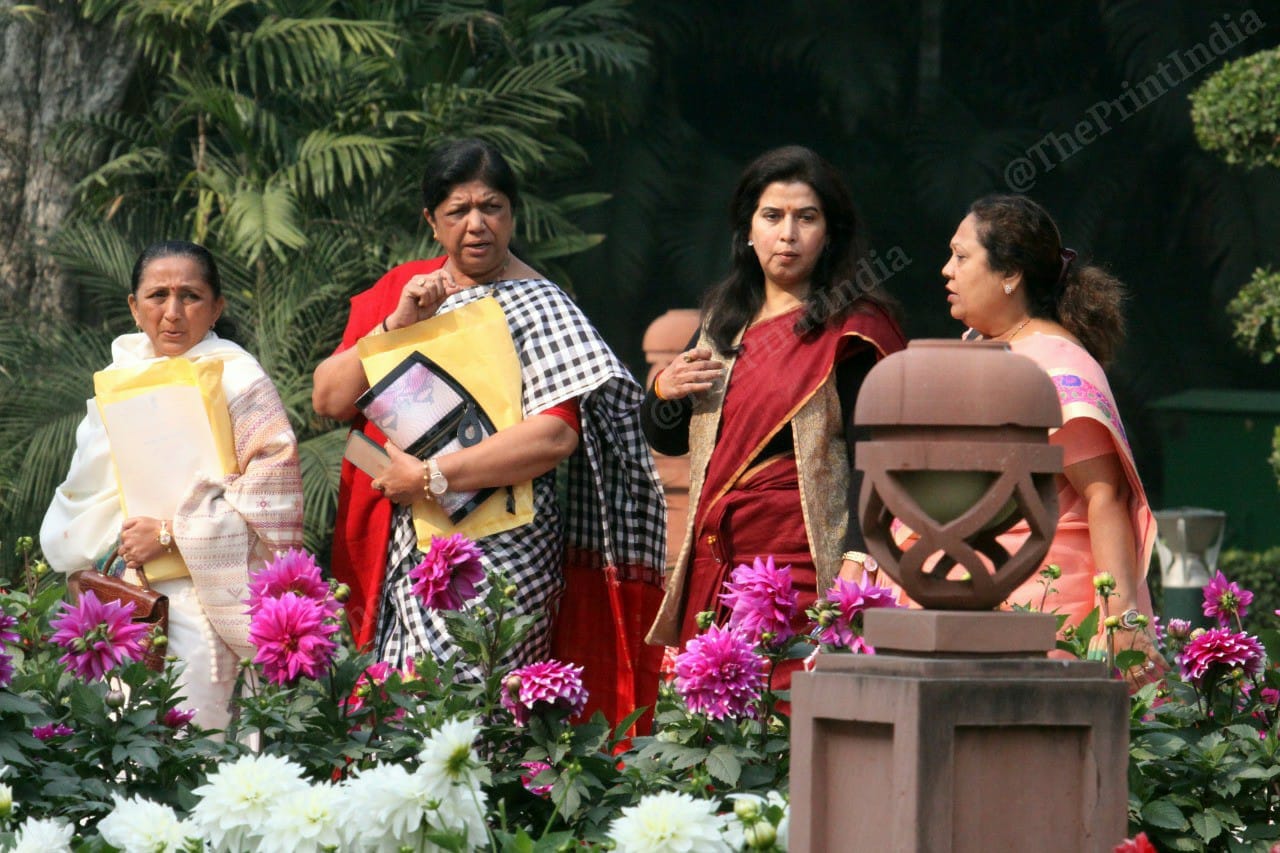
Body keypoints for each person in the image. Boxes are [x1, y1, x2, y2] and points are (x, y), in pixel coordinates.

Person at [312, 138, 666, 723]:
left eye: (492, 207)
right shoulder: (405, 290)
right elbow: (328, 399)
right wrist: (400, 324)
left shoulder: (542, 304)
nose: (477, 225)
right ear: (432, 222)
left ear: (513, 214)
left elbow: (555, 437)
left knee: (476, 724)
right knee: (399, 719)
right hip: (411, 546)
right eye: (457, 211)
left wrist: (432, 476)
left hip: (507, 556)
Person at [641, 145, 906, 691]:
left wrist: (859, 555)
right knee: (714, 722)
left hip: (803, 565)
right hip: (716, 566)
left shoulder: (852, 329)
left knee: (794, 715)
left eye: (806, 218)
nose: (788, 234)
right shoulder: (723, 321)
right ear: (748, 230)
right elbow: (667, 439)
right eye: (772, 216)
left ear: (829, 233)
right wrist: (664, 391)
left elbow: (877, 458)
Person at [41, 240, 305, 729]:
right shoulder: (119, 379)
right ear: (133, 306)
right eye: (157, 295)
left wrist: (170, 534)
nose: (173, 312)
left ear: (217, 307)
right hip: (120, 603)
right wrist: (88, 566)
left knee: (195, 747)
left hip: (206, 605)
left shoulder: (239, 380)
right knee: (121, 749)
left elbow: (274, 506)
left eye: (191, 296)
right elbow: (87, 500)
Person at [940, 193, 1160, 683]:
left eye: (961, 256)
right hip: (971, 595)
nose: (946, 271)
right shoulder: (984, 349)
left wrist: (1122, 620)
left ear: (1010, 274)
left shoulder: (1056, 363)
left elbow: (1104, 494)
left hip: (1049, 612)